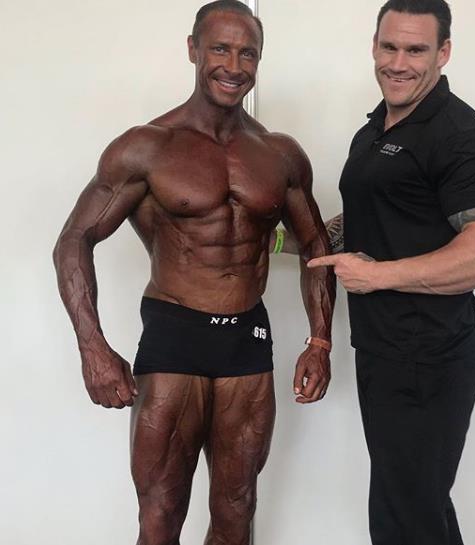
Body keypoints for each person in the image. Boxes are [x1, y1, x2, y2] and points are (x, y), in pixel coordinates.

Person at [53, 1, 335, 544]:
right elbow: (74, 241)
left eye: (248, 53)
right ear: (193, 50)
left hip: (246, 341)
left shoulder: (279, 154)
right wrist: (92, 347)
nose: (234, 65)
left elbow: (315, 246)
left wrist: (320, 341)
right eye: (220, 49)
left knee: (237, 508)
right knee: (161, 513)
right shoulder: (146, 147)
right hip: (174, 336)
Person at [276, 0, 475, 544]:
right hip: (383, 351)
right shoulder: (374, 131)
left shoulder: (464, 137)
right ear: (374, 46)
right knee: (413, 509)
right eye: (389, 47)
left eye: (415, 49)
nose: (398, 62)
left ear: (443, 53)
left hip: (429, 356)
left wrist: (378, 276)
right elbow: (365, 223)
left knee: (404, 518)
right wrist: (277, 241)